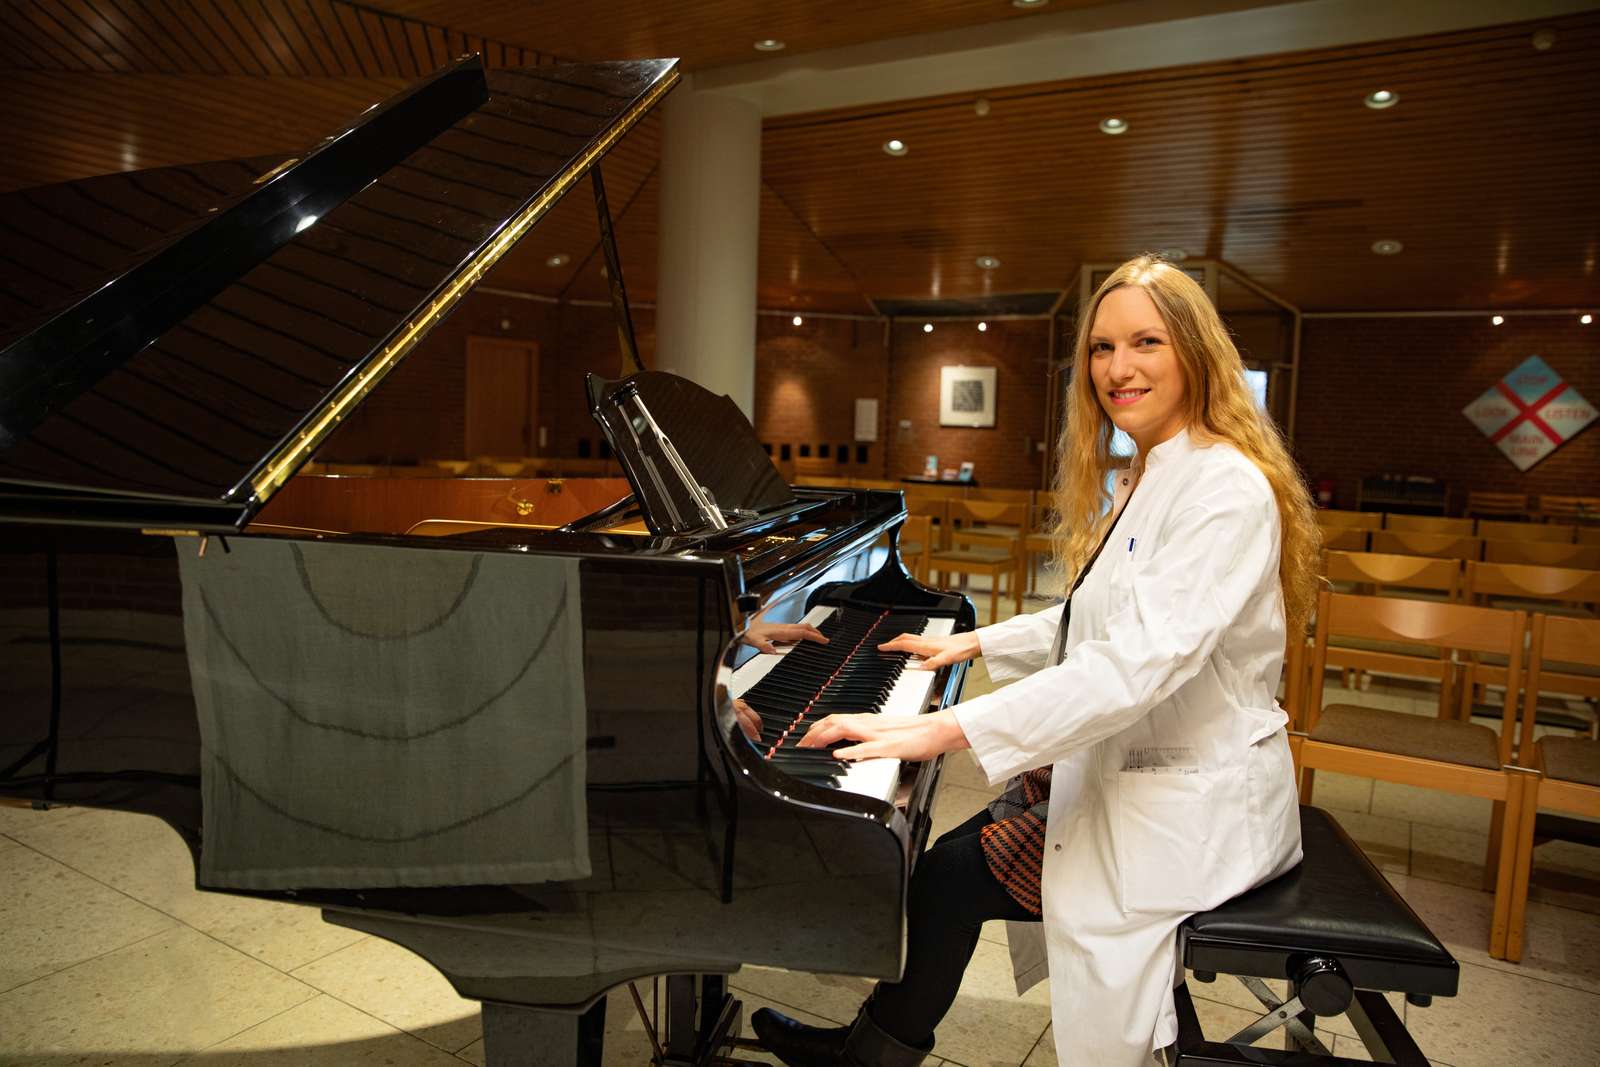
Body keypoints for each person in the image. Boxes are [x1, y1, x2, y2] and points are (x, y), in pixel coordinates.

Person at [750, 255, 1319, 1067]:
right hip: (1136, 767)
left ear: (1195, 351)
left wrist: (940, 728)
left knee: (949, 872)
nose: (1117, 369)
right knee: (947, 865)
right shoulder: (1156, 467)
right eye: (1100, 348)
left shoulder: (1221, 489)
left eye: (1145, 342)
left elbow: (1134, 666)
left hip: (1189, 807)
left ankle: (868, 1053)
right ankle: (870, 1047)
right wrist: (975, 643)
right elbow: (1105, 617)